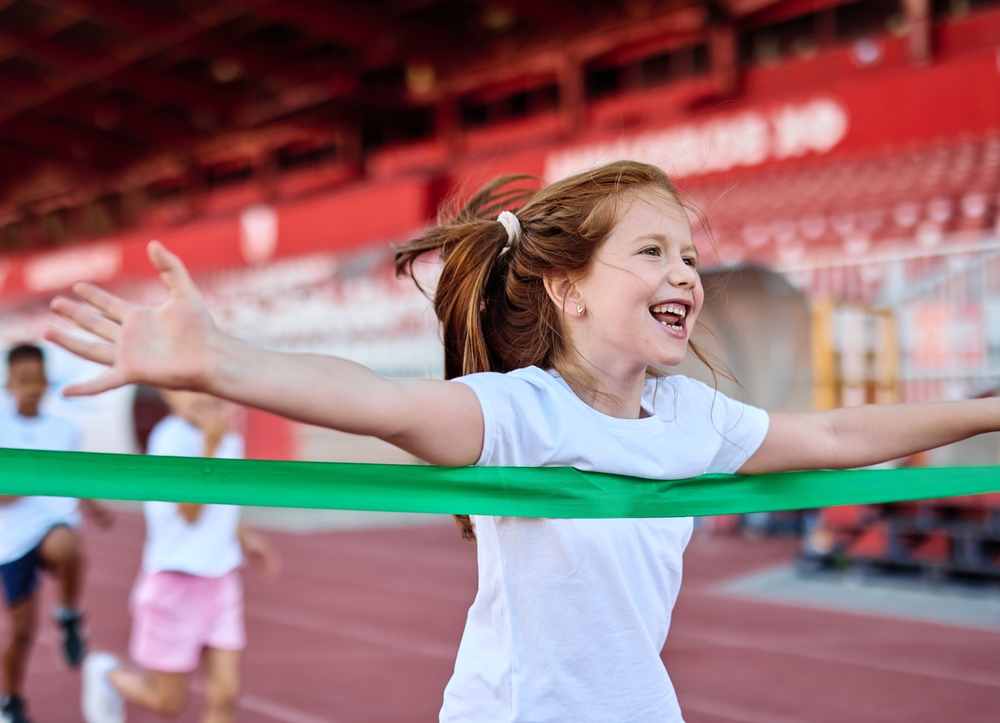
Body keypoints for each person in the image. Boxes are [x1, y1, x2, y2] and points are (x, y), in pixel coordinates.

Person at [43, 160, 1000, 722]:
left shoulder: (692, 418)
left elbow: (839, 431)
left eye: (692, 256)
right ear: (569, 287)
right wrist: (222, 362)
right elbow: (377, 399)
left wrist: (988, 405)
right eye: (654, 252)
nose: (687, 274)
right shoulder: (519, 412)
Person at [81, 390, 279, 723]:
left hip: (221, 581)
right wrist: (211, 448)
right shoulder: (169, 439)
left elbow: (222, 502)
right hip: (174, 584)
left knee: (225, 695)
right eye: (191, 391)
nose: (204, 398)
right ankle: (106, 675)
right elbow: (190, 511)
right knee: (169, 703)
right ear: (170, 396)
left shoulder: (228, 439)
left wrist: (247, 537)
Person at [0, 344, 113, 723]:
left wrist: (95, 507)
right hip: (12, 539)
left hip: (52, 526)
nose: (33, 387)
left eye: (38, 379)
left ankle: (68, 614)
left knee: (66, 544)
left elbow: (72, 476)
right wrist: (30, 479)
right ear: (9, 383)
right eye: (24, 380)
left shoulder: (64, 428)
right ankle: (11, 700)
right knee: (22, 632)